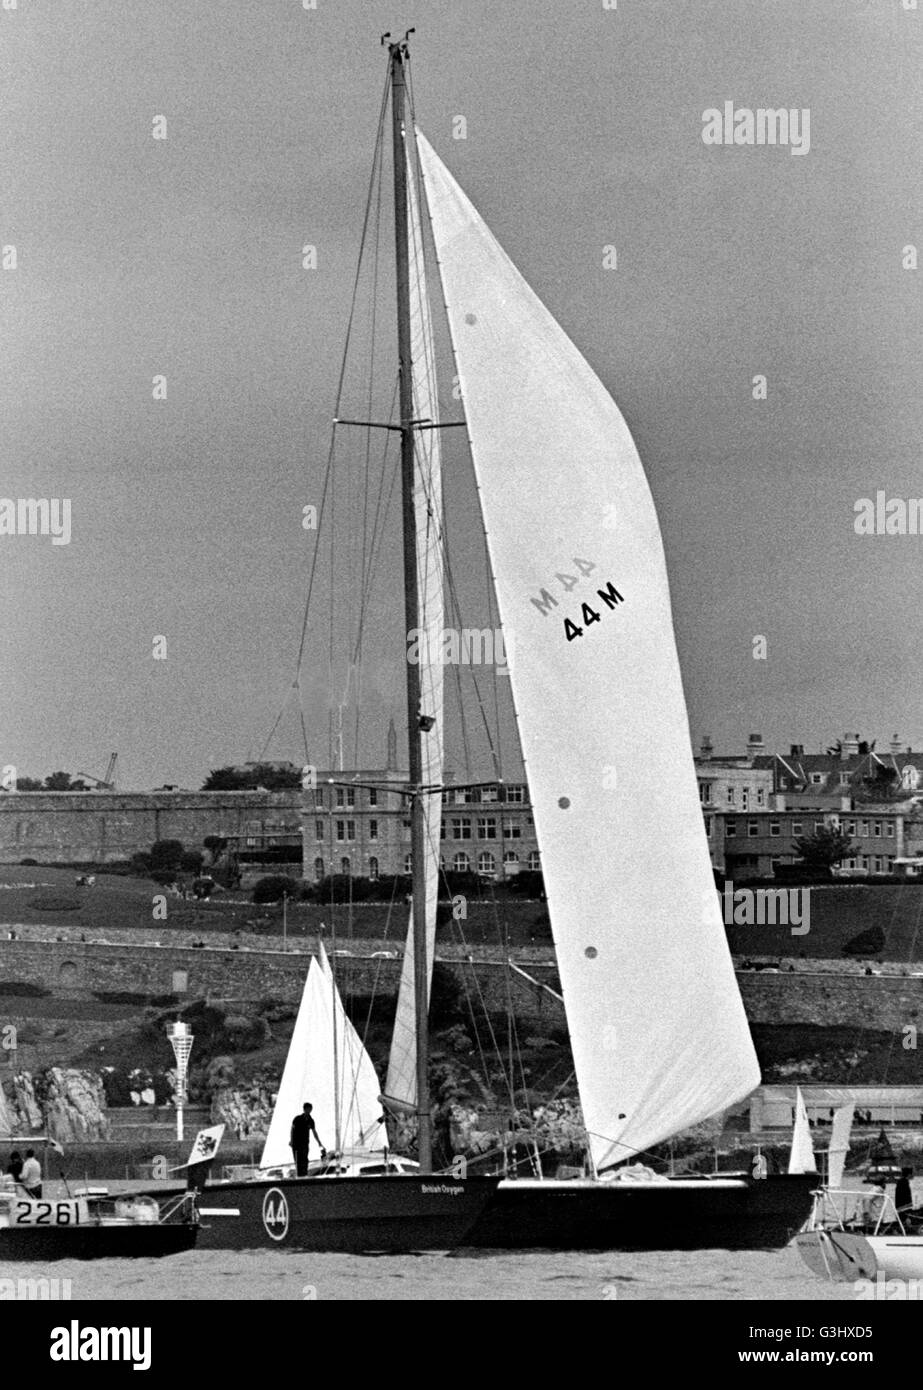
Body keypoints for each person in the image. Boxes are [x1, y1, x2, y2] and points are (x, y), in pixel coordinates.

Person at [290, 1103, 325, 1177]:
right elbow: (292, 1130)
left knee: (305, 1160)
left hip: (305, 1143)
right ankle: (299, 1176)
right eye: (308, 1109)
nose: (309, 1111)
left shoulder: (310, 1120)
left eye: (310, 1109)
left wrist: (319, 1142)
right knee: (298, 1161)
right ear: (304, 1109)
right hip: (296, 1144)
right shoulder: (297, 1118)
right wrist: (291, 1140)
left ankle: (304, 1175)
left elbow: (314, 1131)